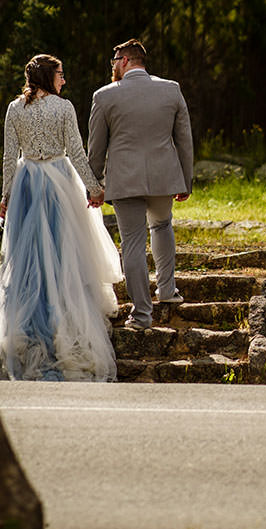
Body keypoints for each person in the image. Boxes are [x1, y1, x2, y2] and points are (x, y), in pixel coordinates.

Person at [0, 53, 122, 381]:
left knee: (28, 259)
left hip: (28, 180)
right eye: (60, 74)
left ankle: (26, 329)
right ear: (48, 76)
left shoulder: (15, 108)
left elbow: (8, 155)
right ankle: (61, 324)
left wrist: (6, 196)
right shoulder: (64, 107)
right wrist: (94, 188)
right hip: (59, 181)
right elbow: (75, 150)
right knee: (62, 255)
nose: (64, 80)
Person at [87, 38, 193, 331]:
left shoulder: (104, 96)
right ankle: (168, 291)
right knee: (162, 226)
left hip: (124, 180)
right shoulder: (171, 90)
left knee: (132, 242)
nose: (113, 68)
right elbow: (184, 140)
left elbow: (96, 149)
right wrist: (186, 179)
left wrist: (93, 184)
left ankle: (142, 314)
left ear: (124, 61)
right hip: (163, 178)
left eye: (113, 63)